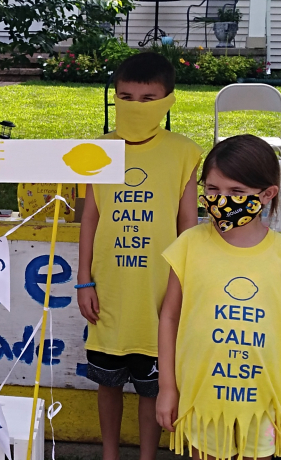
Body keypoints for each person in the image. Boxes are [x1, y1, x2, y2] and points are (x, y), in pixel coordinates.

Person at [77, 51, 202, 460]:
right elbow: (90, 219)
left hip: (160, 294)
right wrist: (83, 281)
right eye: (126, 97)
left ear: (168, 100)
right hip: (108, 292)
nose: (136, 106)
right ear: (114, 97)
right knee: (107, 382)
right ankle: (109, 454)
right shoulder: (99, 150)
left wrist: (181, 289)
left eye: (148, 99)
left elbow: (188, 226)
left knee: (154, 388)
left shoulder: (184, 152)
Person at [156, 134, 281, 459]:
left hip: (264, 404)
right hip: (202, 400)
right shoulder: (188, 246)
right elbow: (169, 317)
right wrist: (167, 388)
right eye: (213, 189)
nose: (222, 200)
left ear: (267, 194)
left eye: (236, 192)